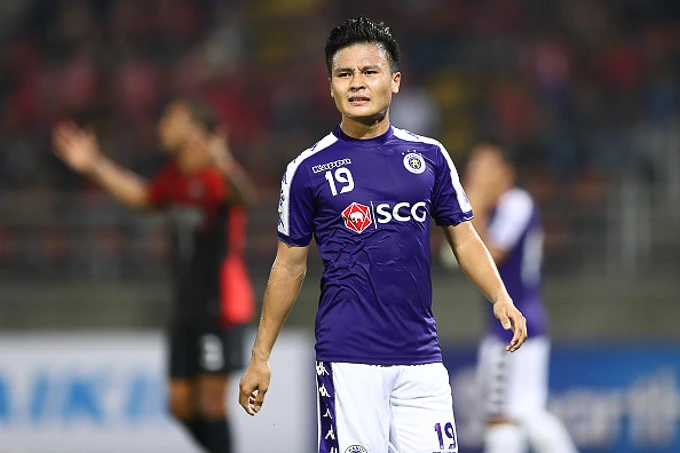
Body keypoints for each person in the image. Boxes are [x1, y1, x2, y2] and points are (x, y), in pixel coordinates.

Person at [237, 17, 527, 453]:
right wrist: (261, 356)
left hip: (421, 356)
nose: (356, 83)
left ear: (394, 82)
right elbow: (289, 266)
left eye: (369, 72)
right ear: (331, 87)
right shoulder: (307, 170)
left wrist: (499, 296)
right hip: (348, 356)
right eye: (344, 74)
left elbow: (464, 238)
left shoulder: (430, 156)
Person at [52, 97, 256, 453]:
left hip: (221, 306)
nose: (162, 126)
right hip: (186, 308)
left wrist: (223, 161)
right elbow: (143, 198)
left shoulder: (215, 175)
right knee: (179, 406)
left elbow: (246, 198)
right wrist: (95, 165)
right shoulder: (175, 177)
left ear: (194, 130)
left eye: (170, 119)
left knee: (211, 405)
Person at [462, 140, 578, 453]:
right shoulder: (498, 209)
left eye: (484, 166)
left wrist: (475, 204)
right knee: (526, 412)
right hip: (514, 321)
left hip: (514, 324)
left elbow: (490, 253)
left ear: (505, 171)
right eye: (474, 166)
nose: (476, 173)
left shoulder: (516, 203)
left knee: (502, 416)